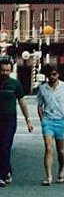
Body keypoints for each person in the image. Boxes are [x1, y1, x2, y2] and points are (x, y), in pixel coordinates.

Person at [36, 64, 64, 186]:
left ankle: (61, 170)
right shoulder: (43, 88)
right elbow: (39, 105)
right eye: (50, 75)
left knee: (60, 150)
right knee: (48, 148)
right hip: (48, 121)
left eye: (54, 74)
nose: (52, 77)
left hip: (60, 121)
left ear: (58, 74)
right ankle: (48, 176)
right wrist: (42, 119)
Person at [0, 56, 33, 187]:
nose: (5, 73)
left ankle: (2, 176)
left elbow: (22, 102)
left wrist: (28, 120)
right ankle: (7, 170)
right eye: (2, 70)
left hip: (9, 120)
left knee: (5, 146)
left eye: (7, 70)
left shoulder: (15, 84)